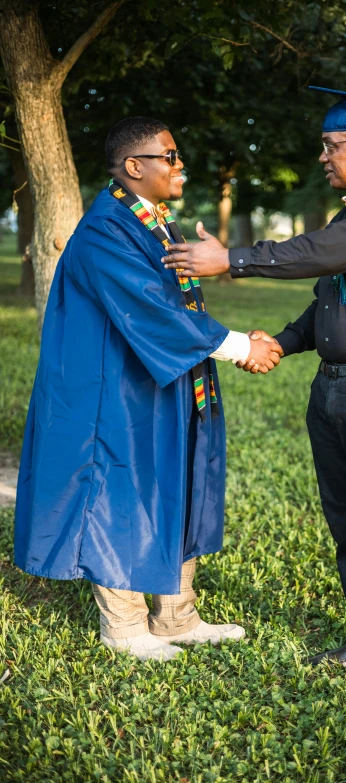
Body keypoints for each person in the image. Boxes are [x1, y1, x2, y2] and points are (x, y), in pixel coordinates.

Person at [161, 88, 346, 705]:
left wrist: (233, 260)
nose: (322, 156)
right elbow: (332, 292)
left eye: (331, 145)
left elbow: (318, 252)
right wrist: (285, 342)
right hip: (337, 394)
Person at [14, 116, 282, 662]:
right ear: (136, 167)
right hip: (111, 389)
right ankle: (125, 625)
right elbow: (151, 311)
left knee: (175, 482)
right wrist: (238, 346)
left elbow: (173, 306)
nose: (180, 165)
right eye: (171, 156)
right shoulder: (105, 230)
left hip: (155, 379)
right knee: (120, 490)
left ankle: (177, 617)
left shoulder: (151, 221)